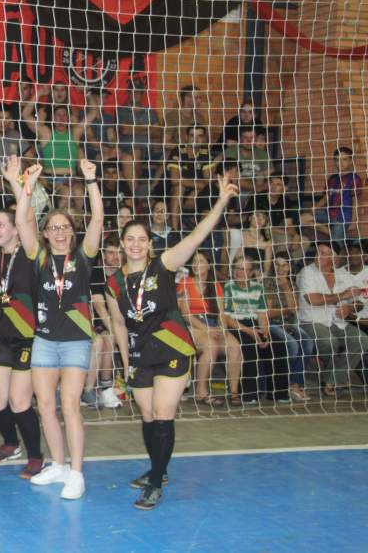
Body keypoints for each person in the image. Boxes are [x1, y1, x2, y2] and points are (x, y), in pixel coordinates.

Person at [105, 174, 239, 510]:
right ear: (122, 244)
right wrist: (126, 360)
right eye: (130, 239)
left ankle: (154, 483)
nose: (136, 244)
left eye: (142, 239)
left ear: (149, 244)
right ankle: (158, 469)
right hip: (140, 354)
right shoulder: (113, 283)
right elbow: (119, 324)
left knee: (163, 414)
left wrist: (221, 201)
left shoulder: (163, 264)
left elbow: (196, 236)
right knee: (148, 415)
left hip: (173, 348)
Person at [15, 158, 103, 499]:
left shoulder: (83, 257)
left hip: (76, 342)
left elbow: (98, 219)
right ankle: (59, 465)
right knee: (45, 407)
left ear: (72, 232)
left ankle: (77, 474)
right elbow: (21, 220)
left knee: (69, 406)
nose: (59, 232)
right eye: (53, 227)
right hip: (44, 341)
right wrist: (27, 186)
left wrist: (91, 181)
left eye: (65, 227)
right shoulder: (38, 258)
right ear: (46, 233)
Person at [0, 156, 44, 479]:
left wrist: (15, 182)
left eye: (1, 224)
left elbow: (27, 218)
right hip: (2, 335)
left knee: (20, 402)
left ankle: (35, 455)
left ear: (16, 231)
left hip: (28, 337)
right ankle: (10, 443)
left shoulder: (30, 253)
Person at [296, 241, 368, 397]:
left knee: (362, 340)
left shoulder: (343, 275)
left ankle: (331, 379)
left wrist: (350, 307)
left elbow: (359, 302)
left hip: (337, 322)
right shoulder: (306, 272)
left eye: (323, 253)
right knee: (330, 343)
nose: (318, 256)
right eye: (317, 252)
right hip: (311, 321)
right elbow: (313, 300)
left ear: (334, 258)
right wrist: (342, 296)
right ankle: (336, 379)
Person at [177, 250, 244, 406]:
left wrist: (222, 329)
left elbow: (221, 313)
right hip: (191, 325)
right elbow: (185, 314)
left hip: (213, 324)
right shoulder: (184, 282)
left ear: (209, 265)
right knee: (211, 346)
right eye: (194, 262)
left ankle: (234, 392)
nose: (196, 265)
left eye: (200, 261)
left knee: (235, 347)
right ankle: (201, 392)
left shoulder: (215, 285)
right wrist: (207, 329)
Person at [222, 255, 291, 405]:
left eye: (245, 269)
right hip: (235, 325)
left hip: (254, 323)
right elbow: (226, 318)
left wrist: (264, 333)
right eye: (238, 268)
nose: (240, 272)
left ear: (252, 272)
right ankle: (248, 394)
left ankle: (278, 393)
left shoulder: (258, 288)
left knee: (278, 345)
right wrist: (250, 332)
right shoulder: (227, 287)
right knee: (248, 346)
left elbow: (262, 314)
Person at [264, 253, 313, 403]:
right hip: (270, 323)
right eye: (277, 265)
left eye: (284, 265)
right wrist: (286, 311)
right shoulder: (267, 282)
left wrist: (286, 287)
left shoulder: (292, 283)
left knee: (307, 341)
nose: (280, 268)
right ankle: (285, 383)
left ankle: (295, 384)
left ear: (290, 267)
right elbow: (268, 313)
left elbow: (294, 308)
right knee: (292, 344)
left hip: (288, 323)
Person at [85, 235, 124, 409]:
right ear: (103, 255)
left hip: (121, 321)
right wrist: (116, 331)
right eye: (111, 253)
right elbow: (99, 307)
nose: (115, 257)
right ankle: (105, 388)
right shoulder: (96, 273)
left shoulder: (125, 274)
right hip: (94, 321)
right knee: (108, 339)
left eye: (119, 253)